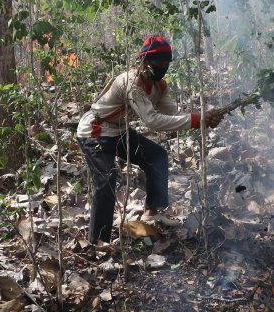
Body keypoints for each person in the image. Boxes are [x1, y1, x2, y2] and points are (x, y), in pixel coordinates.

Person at [76, 35, 224, 249]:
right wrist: (197, 119)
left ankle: (151, 213)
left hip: (118, 131)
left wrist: (202, 119)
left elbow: (172, 114)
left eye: (166, 64)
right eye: (159, 63)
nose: (162, 67)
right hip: (94, 131)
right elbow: (152, 120)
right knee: (106, 180)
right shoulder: (130, 82)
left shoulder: (159, 86)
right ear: (145, 61)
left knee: (157, 156)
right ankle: (98, 241)